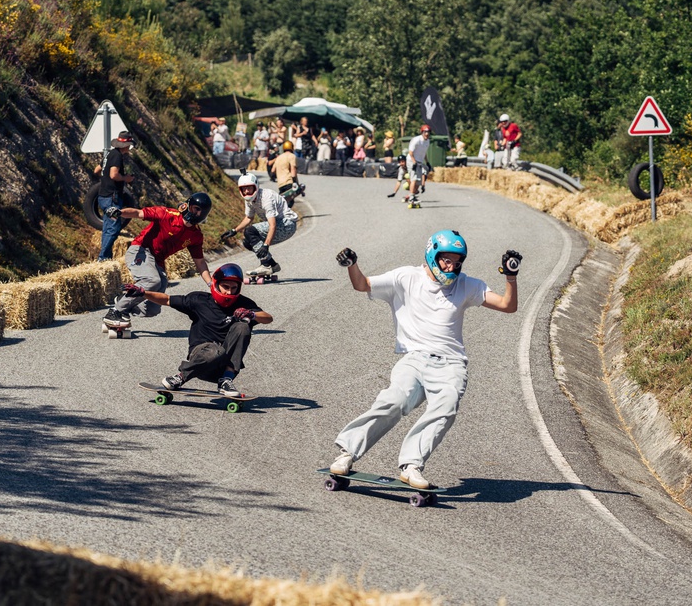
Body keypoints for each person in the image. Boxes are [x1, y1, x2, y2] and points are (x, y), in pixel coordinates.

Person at [327, 232, 522, 489]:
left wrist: (510, 277)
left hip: (452, 363)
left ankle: (412, 466)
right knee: (394, 400)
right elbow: (362, 284)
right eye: (445, 260)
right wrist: (352, 265)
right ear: (432, 255)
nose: (451, 266)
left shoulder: (467, 285)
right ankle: (347, 454)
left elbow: (508, 306)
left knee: (446, 406)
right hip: (414, 358)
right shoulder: (405, 277)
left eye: (456, 261)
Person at [123, 263, 273, 397]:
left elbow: (268, 318)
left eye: (233, 288)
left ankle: (226, 380)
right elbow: (167, 299)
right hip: (201, 356)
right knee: (215, 350)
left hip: (223, 364)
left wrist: (252, 314)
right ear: (216, 284)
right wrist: (143, 293)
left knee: (243, 326)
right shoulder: (199, 300)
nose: (229, 292)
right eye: (225, 287)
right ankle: (180, 377)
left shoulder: (243, 303)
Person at [101, 193, 214, 330]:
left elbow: (200, 263)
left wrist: (211, 283)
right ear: (188, 205)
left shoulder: (196, 236)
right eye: (196, 208)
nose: (197, 213)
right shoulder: (167, 214)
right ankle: (115, 312)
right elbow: (138, 213)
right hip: (141, 250)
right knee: (153, 280)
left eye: (201, 211)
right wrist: (119, 212)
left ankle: (123, 303)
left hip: (157, 261)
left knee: (153, 308)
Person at [221, 173, 298, 279]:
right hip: (279, 225)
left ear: (256, 186)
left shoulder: (266, 197)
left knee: (250, 231)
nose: (247, 191)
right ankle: (273, 265)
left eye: (249, 188)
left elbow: (273, 225)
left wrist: (266, 245)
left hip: (287, 224)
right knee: (248, 242)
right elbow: (249, 218)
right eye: (244, 189)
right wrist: (234, 230)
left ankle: (265, 265)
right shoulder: (249, 200)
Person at [97, 131, 137, 261]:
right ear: (125, 145)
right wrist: (126, 178)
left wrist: (105, 181)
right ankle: (102, 258)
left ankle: (105, 258)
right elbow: (114, 174)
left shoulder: (109, 154)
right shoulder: (117, 156)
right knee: (113, 228)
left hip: (103, 196)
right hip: (112, 198)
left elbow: (97, 169)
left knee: (108, 227)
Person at [270, 140, 304, 207]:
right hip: (289, 182)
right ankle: (286, 216)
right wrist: (295, 182)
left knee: (283, 202)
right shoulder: (292, 156)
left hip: (280, 184)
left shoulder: (279, 157)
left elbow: (272, 171)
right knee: (290, 202)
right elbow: (293, 169)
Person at [405, 124, 431, 206]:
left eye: (428, 132)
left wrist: (427, 162)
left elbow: (424, 153)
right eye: (425, 132)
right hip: (411, 160)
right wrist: (414, 162)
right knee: (414, 179)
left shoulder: (427, 141)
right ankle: (411, 197)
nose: (427, 134)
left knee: (419, 182)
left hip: (419, 161)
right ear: (422, 132)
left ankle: (412, 195)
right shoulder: (416, 140)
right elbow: (410, 152)